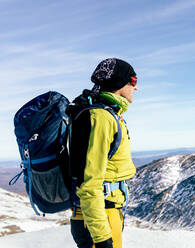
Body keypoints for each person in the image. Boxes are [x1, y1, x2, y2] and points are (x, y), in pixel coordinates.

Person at [69, 58, 138, 248]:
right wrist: (102, 237)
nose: (136, 88)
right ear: (118, 82)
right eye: (133, 81)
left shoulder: (105, 114)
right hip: (100, 217)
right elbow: (90, 183)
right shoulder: (101, 118)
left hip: (100, 213)